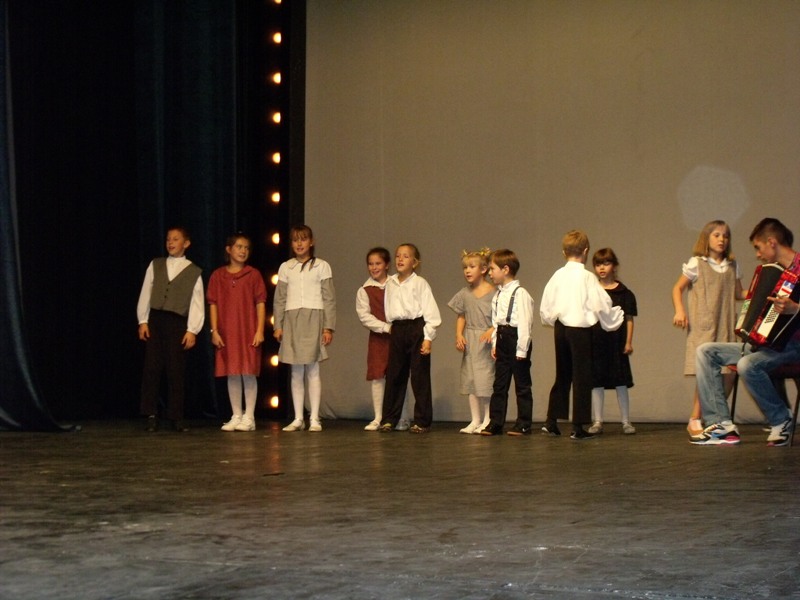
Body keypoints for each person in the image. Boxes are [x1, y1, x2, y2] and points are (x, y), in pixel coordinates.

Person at [693, 218, 800, 447]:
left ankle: (781, 419)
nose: (758, 255)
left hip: (794, 347)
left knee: (747, 365)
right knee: (705, 351)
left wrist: (796, 308)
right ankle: (721, 425)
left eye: (758, 248)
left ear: (772, 242)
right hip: (767, 345)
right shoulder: (773, 273)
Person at [540, 230, 624, 440]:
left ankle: (551, 421)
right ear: (586, 251)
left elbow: (546, 304)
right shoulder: (587, 277)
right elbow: (600, 302)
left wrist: (552, 318)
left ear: (564, 252)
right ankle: (578, 426)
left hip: (560, 329)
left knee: (562, 374)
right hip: (580, 331)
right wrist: (614, 317)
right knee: (581, 376)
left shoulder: (558, 275)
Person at [672, 220, 745, 438]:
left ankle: (716, 415)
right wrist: (680, 311)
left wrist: (763, 290)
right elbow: (677, 288)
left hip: (726, 323)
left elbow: (739, 293)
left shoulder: (732, 265)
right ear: (707, 238)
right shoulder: (697, 263)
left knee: (730, 373)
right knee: (706, 374)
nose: (722, 239)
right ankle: (695, 419)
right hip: (704, 324)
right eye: (717, 235)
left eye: (725, 236)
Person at [137, 226, 205, 432]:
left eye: (175, 239)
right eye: (168, 239)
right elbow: (146, 292)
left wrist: (192, 330)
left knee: (176, 370)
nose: (170, 243)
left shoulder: (193, 271)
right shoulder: (156, 265)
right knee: (152, 368)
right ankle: (150, 413)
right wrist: (143, 320)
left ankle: (176, 416)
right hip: (156, 320)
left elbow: (197, 303)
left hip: (177, 323)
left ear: (186, 243)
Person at [273, 225, 336, 432]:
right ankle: (298, 418)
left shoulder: (322, 266)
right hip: (292, 320)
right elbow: (280, 299)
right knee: (296, 370)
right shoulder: (286, 267)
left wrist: (328, 327)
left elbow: (329, 298)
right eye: (295, 240)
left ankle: (315, 418)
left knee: (313, 368)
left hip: (314, 318)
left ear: (311, 242)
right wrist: (278, 325)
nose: (299, 244)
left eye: (303, 239)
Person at [379, 243, 441, 433]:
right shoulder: (390, 283)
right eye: (398, 255)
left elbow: (431, 313)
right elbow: (388, 309)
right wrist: (392, 328)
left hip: (416, 328)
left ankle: (422, 421)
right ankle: (389, 419)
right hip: (398, 329)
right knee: (394, 375)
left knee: (419, 376)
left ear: (415, 262)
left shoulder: (420, 283)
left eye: (406, 256)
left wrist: (428, 337)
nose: (400, 259)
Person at [207, 234, 267, 432]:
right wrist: (214, 331)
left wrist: (259, 330)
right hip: (227, 331)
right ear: (228, 249)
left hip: (248, 329)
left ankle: (249, 417)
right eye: (239, 247)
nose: (243, 251)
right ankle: (236, 414)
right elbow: (213, 304)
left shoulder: (253, 275)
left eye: (246, 248)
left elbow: (260, 303)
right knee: (232, 372)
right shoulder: (217, 276)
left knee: (248, 372)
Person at [480, 249, 535, 436]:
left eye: (492, 269)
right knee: (499, 384)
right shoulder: (498, 295)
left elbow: (525, 323)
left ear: (505, 269)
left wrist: (521, 350)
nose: (490, 273)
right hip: (503, 339)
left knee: (522, 385)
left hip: (517, 338)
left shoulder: (520, 293)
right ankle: (496, 422)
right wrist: (496, 344)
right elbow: (496, 323)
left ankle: (524, 423)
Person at [588, 248, 638, 435]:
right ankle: (597, 421)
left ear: (614, 266)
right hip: (597, 342)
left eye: (606, 263)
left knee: (621, 381)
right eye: (598, 264)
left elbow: (629, 319)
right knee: (596, 382)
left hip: (617, 343)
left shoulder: (625, 293)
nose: (602, 268)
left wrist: (628, 342)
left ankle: (625, 421)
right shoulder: (591, 292)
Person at [448, 248, 495, 434]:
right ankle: (475, 420)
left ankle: (488, 419)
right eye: (465, 267)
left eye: (472, 267)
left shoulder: (494, 292)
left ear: (483, 269)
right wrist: (459, 334)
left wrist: (492, 329)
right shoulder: (464, 293)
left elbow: (500, 318)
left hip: (486, 341)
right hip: (471, 340)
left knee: (485, 381)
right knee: (471, 380)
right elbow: (461, 316)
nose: (467, 271)